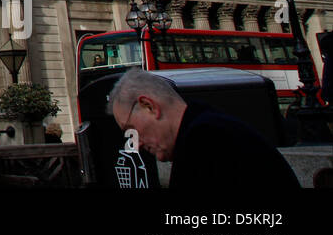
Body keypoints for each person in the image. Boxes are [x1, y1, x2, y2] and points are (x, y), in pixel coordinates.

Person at [108, 68, 300, 189]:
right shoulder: (209, 128)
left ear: (149, 106)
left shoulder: (205, 142)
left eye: (131, 130)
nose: (136, 144)